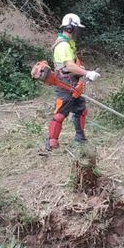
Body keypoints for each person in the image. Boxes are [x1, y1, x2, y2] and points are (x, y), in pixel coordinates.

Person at [43, 13, 101, 153]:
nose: (77, 32)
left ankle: (80, 138)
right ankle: (51, 143)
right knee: (60, 114)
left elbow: (72, 64)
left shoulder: (69, 43)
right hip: (64, 84)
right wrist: (87, 73)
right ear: (70, 28)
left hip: (72, 82)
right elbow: (68, 66)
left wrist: (80, 69)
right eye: (76, 29)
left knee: (81, 110)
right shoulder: (62, 45)